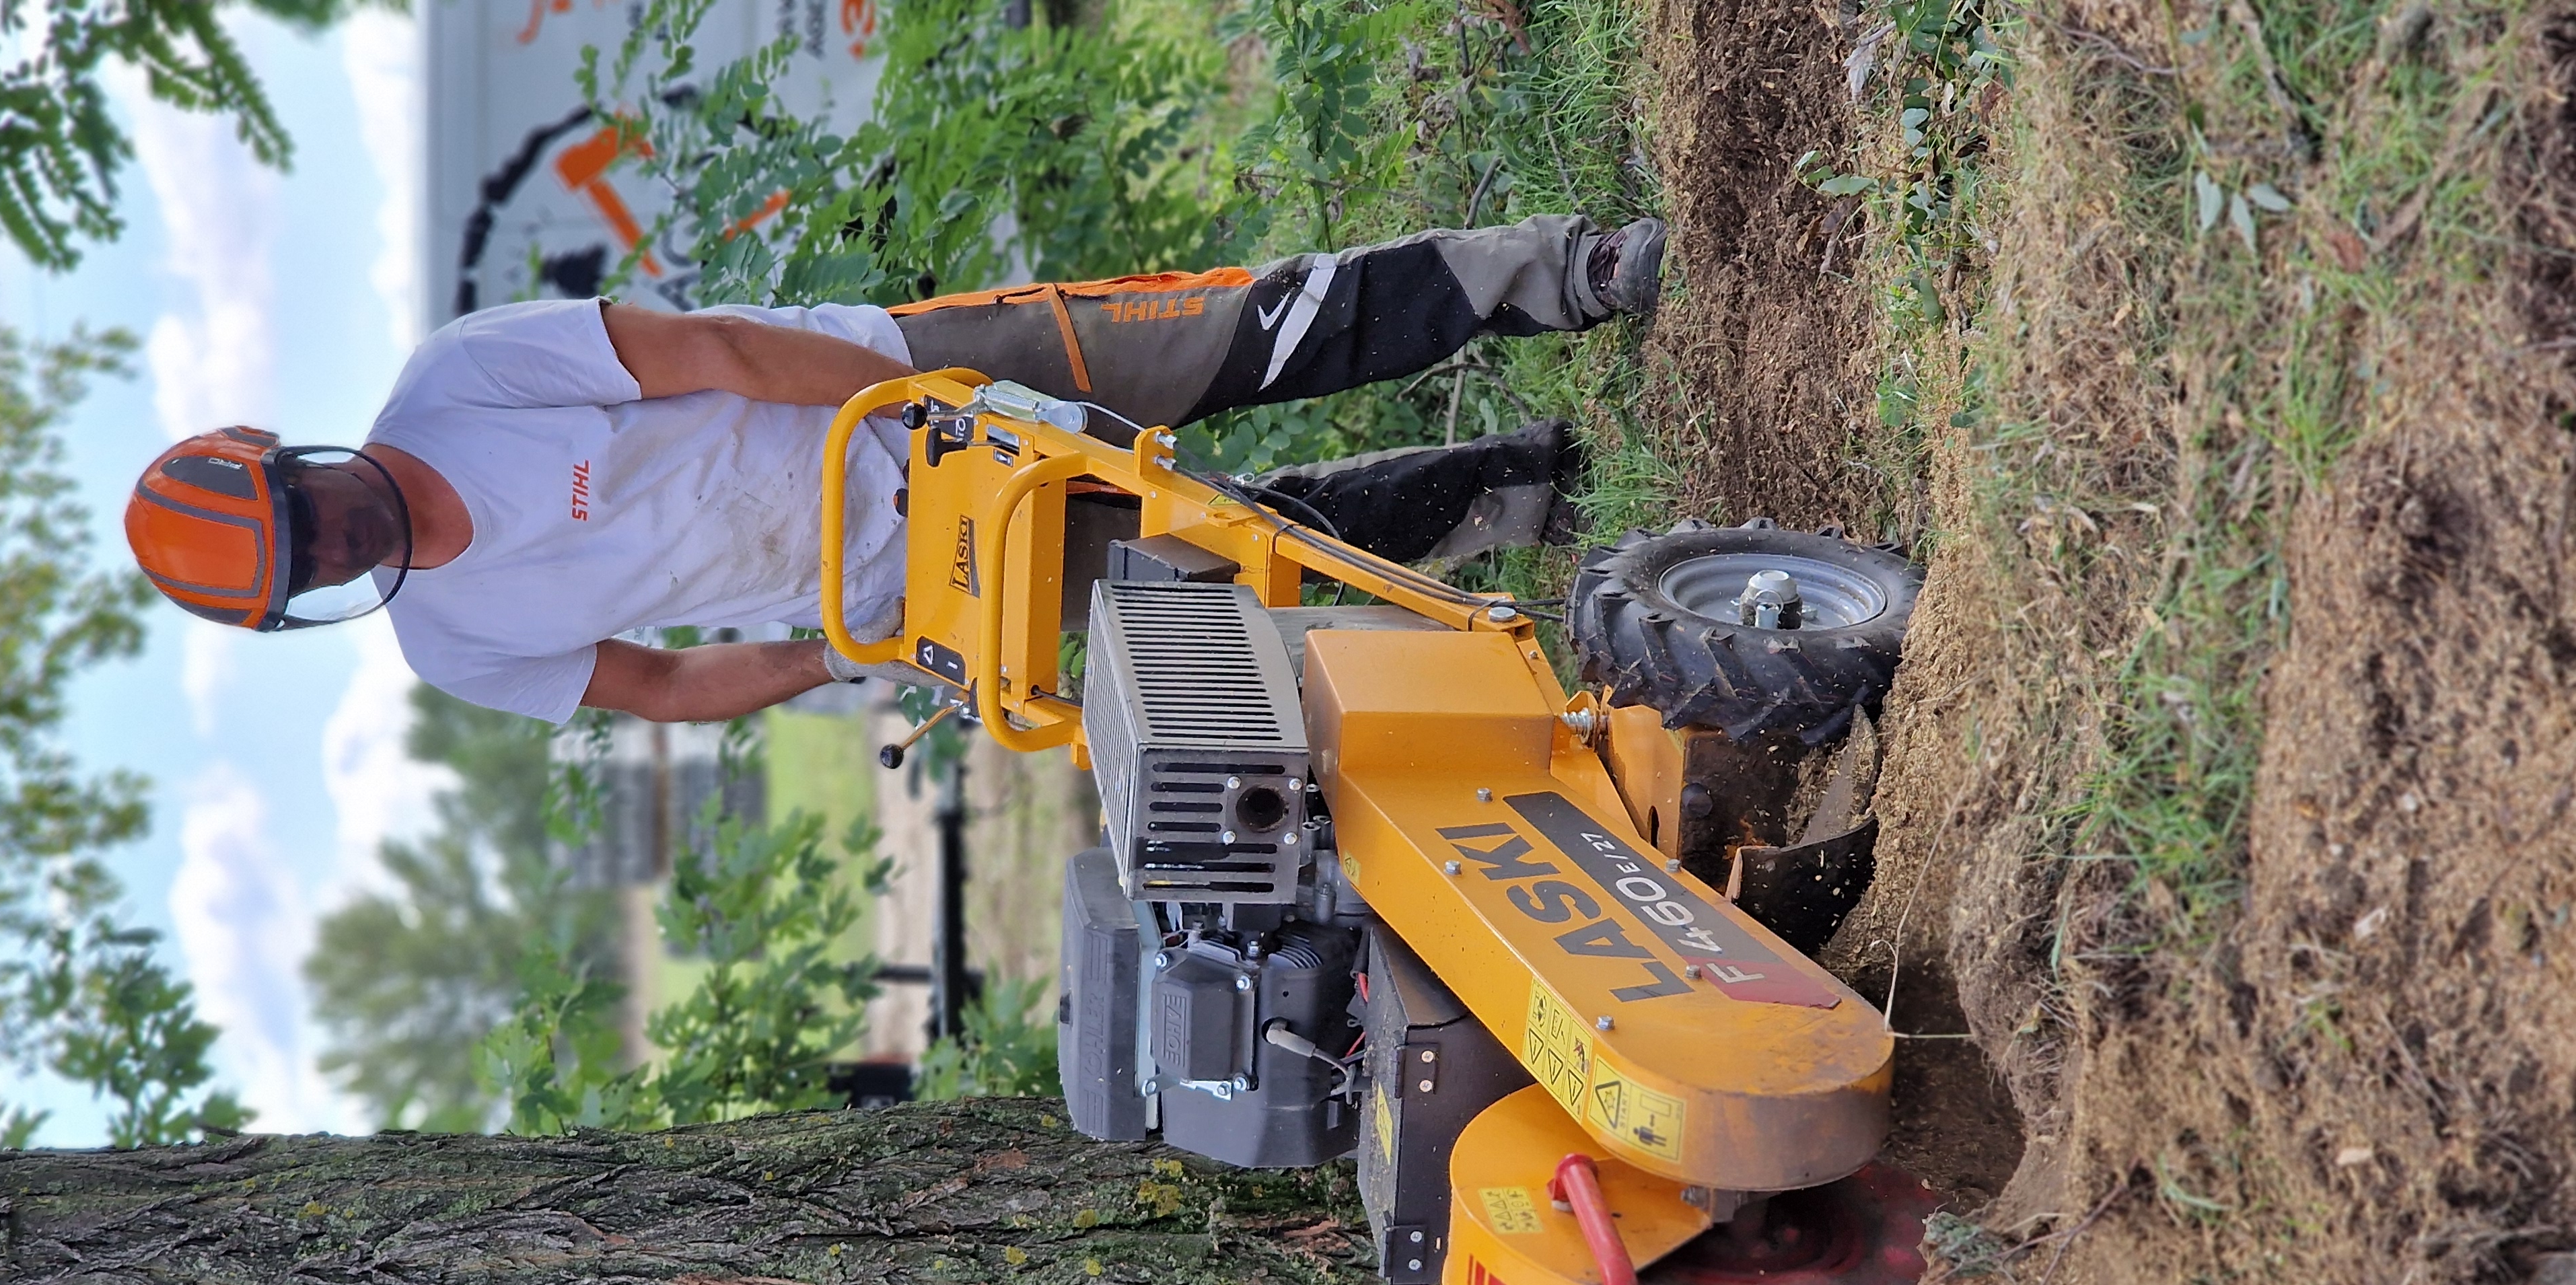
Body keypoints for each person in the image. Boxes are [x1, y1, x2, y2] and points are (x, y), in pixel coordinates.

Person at [123, 215, 1666, 724]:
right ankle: (1519, 489)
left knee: (1236, 342)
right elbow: (657, 688)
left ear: (282, 453)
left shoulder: (460, 382)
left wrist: (920, 395)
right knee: (1245, 559)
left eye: (307, 511)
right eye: (313, 564)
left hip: (912, 382)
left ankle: (1565, 270)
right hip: (907, 571)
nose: (336, 539)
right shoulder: (454, 642)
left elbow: (715, 352)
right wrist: (854, 654)